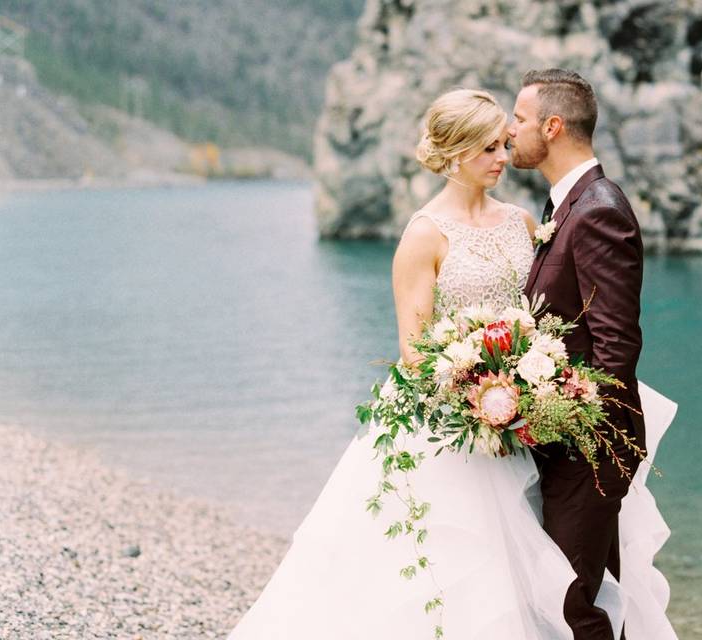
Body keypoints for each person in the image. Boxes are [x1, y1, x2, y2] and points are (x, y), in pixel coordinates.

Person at [228, 87, 675, 640]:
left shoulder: (522, 221)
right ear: (457, 152)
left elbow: (547, 318)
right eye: (488, 148)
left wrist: (526, 395)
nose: (503, 158)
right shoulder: (423, 236)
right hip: (458, 426)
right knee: (467, 573)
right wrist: (478, 401)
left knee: (549, 574)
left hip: (532, 427)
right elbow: (414, 353)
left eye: (503, 144)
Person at [509, 68, 674, 640]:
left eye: (521, 119)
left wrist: (570, 428)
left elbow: (617, 345)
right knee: (592, 597)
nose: (510, 131)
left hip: (588, 447)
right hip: (571, 446)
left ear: (552, 127)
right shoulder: (568, 206)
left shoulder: (598, 208)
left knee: (571, 607)